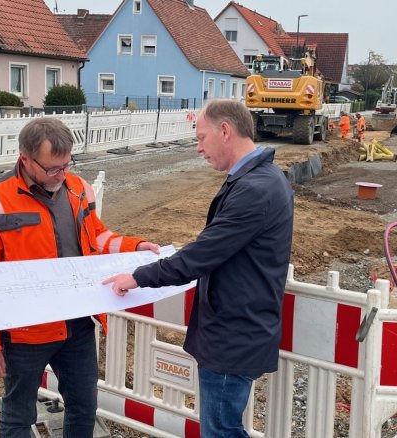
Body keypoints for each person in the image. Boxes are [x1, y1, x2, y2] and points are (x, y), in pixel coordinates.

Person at [103, 99, 294, 438]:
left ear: (225, 131)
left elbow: (202, 254)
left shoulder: (255, 188)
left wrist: (137, 277)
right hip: (235, 328)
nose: (198, 148)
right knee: (221, 428)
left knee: (220, 431)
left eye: (202, 138)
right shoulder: (256, 179)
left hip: (233, 334)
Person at [0, 118, 159, 438]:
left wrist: (134, 247)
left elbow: (97, 236)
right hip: (24, 333)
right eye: (53, 168)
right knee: (18, 415)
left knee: (84, 406)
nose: (61, 175)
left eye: (67, 165)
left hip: (77, 325)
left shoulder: (78, 188)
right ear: (25, 159)